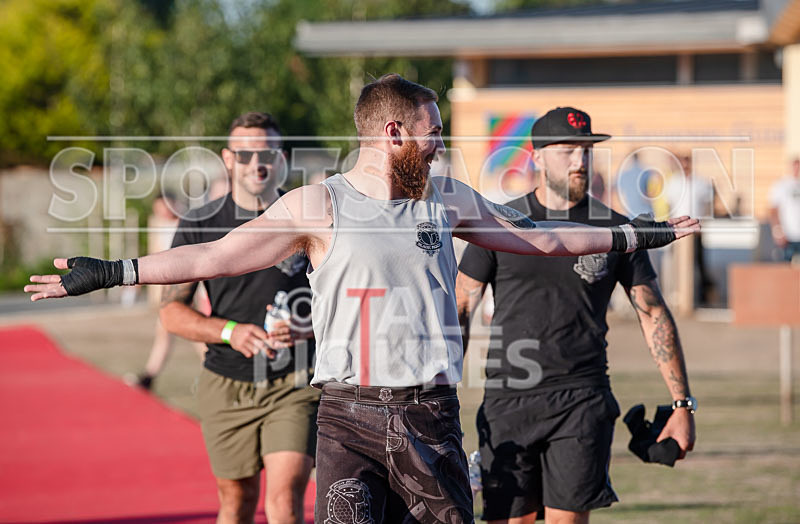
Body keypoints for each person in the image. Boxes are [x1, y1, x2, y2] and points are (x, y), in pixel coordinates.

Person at [25, 75, 698, 524]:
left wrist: (642, 230)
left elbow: (544, 240)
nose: (440, 145)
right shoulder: (318, 206)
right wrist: (113, 269)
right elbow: (211, 256)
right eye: (431, 131)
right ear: (393, 134)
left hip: (430, 416)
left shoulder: (448, 199)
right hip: (347, 418)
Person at [456, 107, 696, 524]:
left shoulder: (617, 230)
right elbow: (460, 308)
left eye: (586, 150)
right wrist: (436, 401)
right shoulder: (499, 225)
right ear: (537, 157)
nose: (580, 160)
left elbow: (653, 312)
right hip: (508, 399)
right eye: (567, 150)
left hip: (581, 398)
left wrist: (682, 404)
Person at [166, 112, 321, 524]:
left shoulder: (309, 219)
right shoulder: (200, 223)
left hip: (295, 380)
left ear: (282, 158)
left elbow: (349, 296)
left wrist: (310, 325)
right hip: (226, 381)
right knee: (237, 499)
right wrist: (228, 331)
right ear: (228, 159)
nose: (258, 162)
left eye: (267, 152)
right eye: (246, 153)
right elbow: (171, 312)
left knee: (285, 498)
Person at [665, 153, 715, 304]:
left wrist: (703, 224)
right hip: (677, 230)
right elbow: (669, 205)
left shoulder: (701, 183)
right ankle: (678, 295)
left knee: (698, 263)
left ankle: (700, 297)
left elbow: (707, 205)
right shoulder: (673, 182)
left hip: (695, 230)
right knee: (676, 263)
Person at [769, 157, 800, 262]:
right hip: (788, 235)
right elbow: (773, 210)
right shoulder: (781, 185)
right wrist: (778, 231)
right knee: (786, 269)